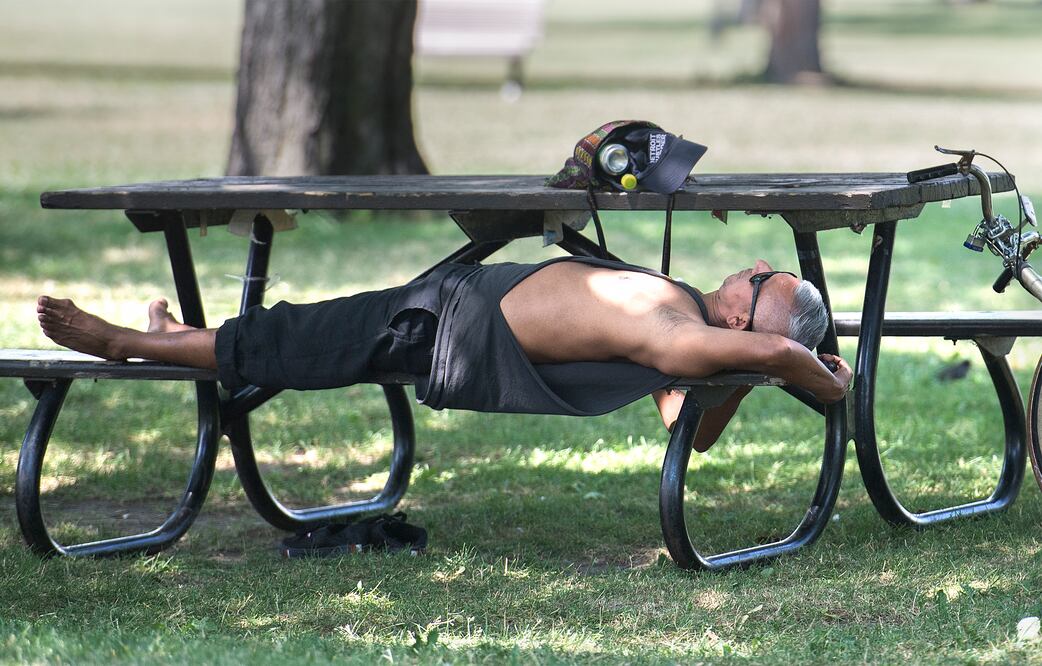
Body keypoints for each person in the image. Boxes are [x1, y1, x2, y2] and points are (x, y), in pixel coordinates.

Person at [36, 256, 852, 452]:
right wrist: (756, 369)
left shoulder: (682, 333)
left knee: (299, 339)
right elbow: (690, 428)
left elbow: (751, 369)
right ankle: (176, 336)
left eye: (760, 283)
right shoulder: (689, 331)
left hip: (442, 328)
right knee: (304, 331)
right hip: (456, 304)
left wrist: (815, 378)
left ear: (746, 321)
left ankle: (123, 343)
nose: (750, 268)